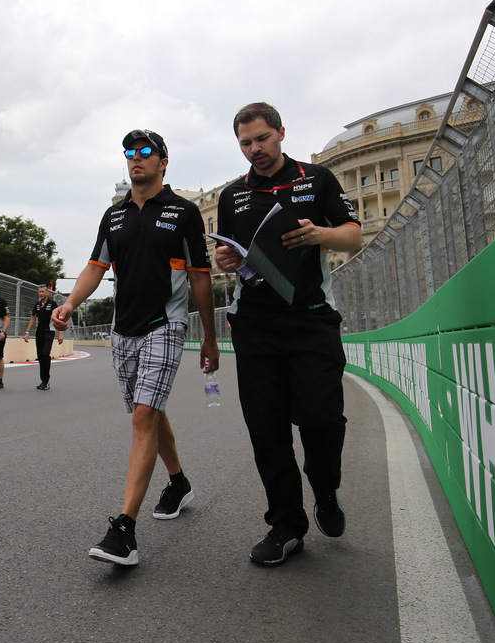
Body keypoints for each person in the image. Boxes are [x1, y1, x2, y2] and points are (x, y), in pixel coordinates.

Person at [52, 129, 219, 566]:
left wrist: (210, 337)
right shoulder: (114, 215)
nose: (136, 159)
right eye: (129, 153)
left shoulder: (184, 213)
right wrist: (70, 303)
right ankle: (178, 482)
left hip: (167, 323)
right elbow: (95, 266)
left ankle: (124, 529)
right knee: (149, 411)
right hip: (124, 332)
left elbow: (200, 277)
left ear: (164, 162)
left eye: (145, 152)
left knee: (144, 414)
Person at [213, 102, 362, 566]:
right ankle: (286, 525)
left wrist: (319, 233)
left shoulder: (317, 179)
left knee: (320, 419)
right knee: (267, 430)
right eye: (245, 143)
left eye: (261, 139)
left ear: (280, 132)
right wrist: (226, 261)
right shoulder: (231, 195)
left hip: (311, 318)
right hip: (254, 326)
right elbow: (227, 253)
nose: (254, 149)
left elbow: (354, 236)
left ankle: (325, 488)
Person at [23, 284, 64, 390]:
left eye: (42, 291)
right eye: (39, 292)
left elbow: (58, 319)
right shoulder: (37, 305)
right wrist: (27, 332)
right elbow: (33, 319)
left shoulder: (53, 304)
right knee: (41, 357)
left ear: (47, 292)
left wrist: (60, 333)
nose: (41, 293)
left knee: (45, 354)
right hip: (39, 332)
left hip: (49, 332)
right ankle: (43, 381)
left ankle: (46, 380)